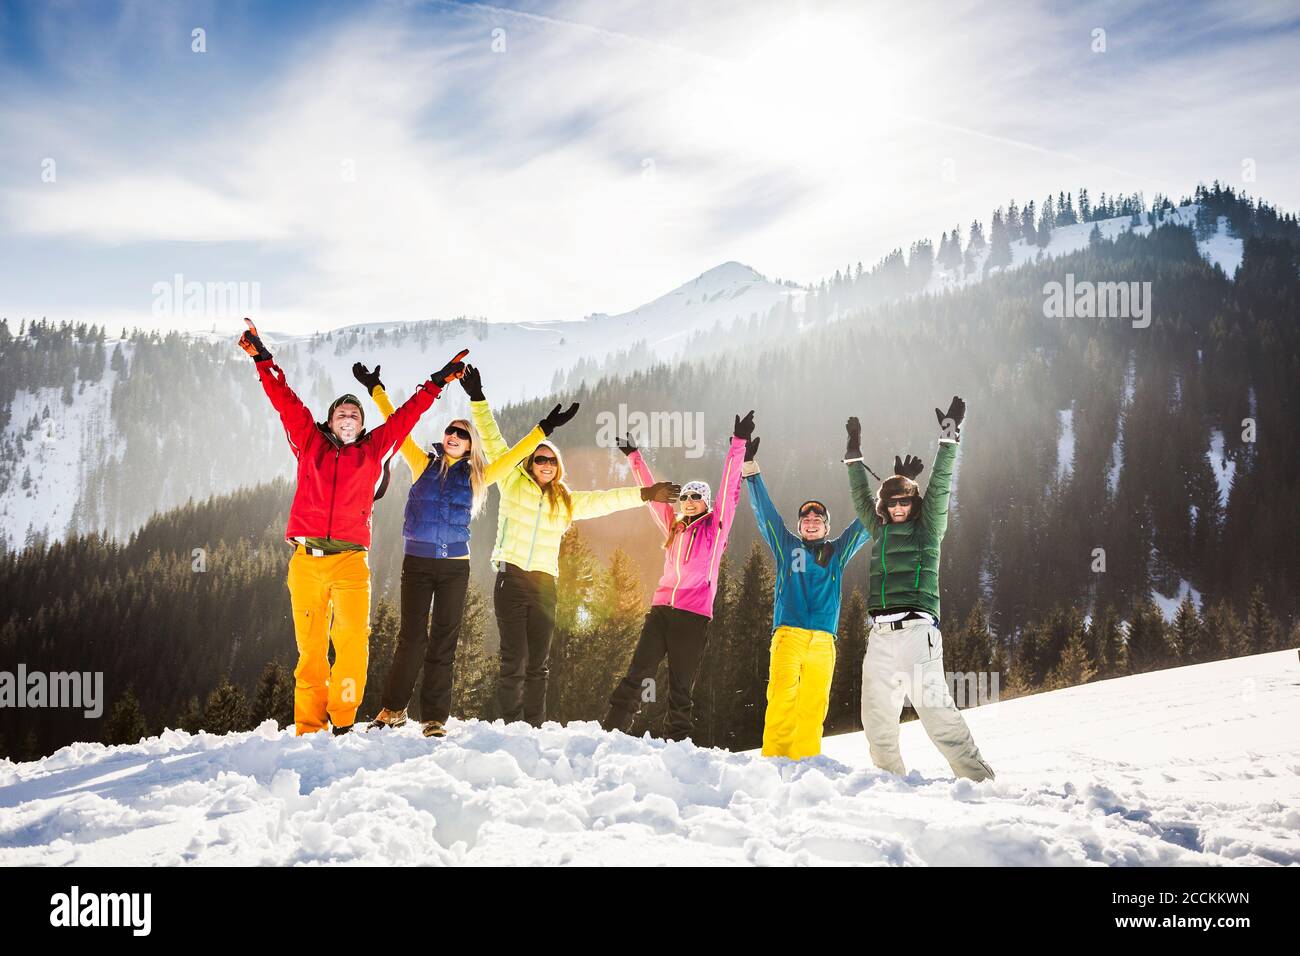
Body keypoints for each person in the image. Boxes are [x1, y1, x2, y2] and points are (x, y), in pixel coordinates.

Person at [238, 319, 466, 735]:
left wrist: (437, 382)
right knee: (310, 652)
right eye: (342, 412)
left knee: (352, 645)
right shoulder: (309, 441)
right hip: (306, 561)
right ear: (329, 421)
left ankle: (342, 721)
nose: (348, 415)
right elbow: (284, 401)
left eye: (355, 413)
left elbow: (406, 418)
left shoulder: (374, 449)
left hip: (349, 563)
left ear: (361, 424)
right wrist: (262, 359)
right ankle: (308, 727)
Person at [355, 362, 571, 738]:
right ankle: (393, 709)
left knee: (444, 638)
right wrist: (376, 389)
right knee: (411, 637)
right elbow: (397, 425)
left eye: (462, 432)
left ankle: (434, 718)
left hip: (455, 567)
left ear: (471, 444)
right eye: (450, 431)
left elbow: (515, 455)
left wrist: (543, 430)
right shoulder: (422, 463)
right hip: (418, 563)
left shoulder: (479, 476)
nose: (454, 435)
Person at [469, 392, 680, 726]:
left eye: (551, 461)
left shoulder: (565, 501)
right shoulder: (511, 482)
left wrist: (645, 494)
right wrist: (478, 399)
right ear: (529, 463)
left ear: (558, 468)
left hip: (544, 585)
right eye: (540, 459)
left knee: (538, 662)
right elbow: (494, 442)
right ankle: (511, 724)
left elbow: (602, 501)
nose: (546, 465)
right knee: (514, 658)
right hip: (511, 578)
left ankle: (533, 725)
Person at [843, 397, 995, 780]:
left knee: (936, 714)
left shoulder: (929, 530)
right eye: (891, 502)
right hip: (878, 636)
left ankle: (978, 780)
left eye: (905, 500)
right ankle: (890, 783)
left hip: (916, 632)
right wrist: (853, 454)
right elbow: (860, 496)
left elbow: (941, 484)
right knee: (876, 721)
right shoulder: (877, 529)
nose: (897, 507)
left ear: (914, 501)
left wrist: (948, 438)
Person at [601, 412, 752, 741]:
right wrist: (634, 456)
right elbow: (653, 496)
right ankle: (613, 729)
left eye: (696, 497)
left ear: (706, 503)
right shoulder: (674, 526)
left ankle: (677, 740)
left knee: (681, 685)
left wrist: (737, 444)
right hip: (661, 612)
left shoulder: (716, 528)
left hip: (692, 617)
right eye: (685, 497)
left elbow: (729, 490)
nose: (689, 501)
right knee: (639, 672)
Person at [743, 435, 870, 759]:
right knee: (783, 697)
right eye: (806, 520)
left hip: (824, 642)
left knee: (814, 705)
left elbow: (867, 522)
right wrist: (751, 470)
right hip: (789, 635)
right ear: (799, 525)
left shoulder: (837, 552)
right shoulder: (787, 546)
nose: (811, 524)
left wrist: (895, 487)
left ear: (827, 527)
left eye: (818, 521)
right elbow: (766, 515)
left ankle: (805, 763)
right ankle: (774, 760)